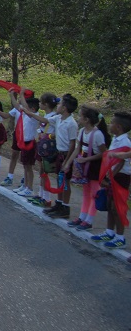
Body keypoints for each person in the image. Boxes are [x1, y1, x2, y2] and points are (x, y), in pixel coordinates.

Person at [64, 106, 110, 231]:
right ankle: (82, 217)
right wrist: (68, 163)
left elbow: (103, 153)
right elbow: (77, 149)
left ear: (87, 119)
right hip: (84, 165)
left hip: (95, 167)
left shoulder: (97, 134)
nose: (78, 118)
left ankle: (89, 220)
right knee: (85, 192)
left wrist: (86, 160)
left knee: (94, 193)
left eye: (80, 116)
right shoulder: (83, 131)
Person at [90, 112, 131, 249]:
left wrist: (111, 175)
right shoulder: (116, 138)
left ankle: (120, 237)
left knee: (117, 207)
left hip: (120, 177)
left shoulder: (125, 141)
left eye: (112, 123)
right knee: (109, 204)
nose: (109, 125)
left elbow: (121, 161)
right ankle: (109, 231)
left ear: (118, 127)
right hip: (112, 176)